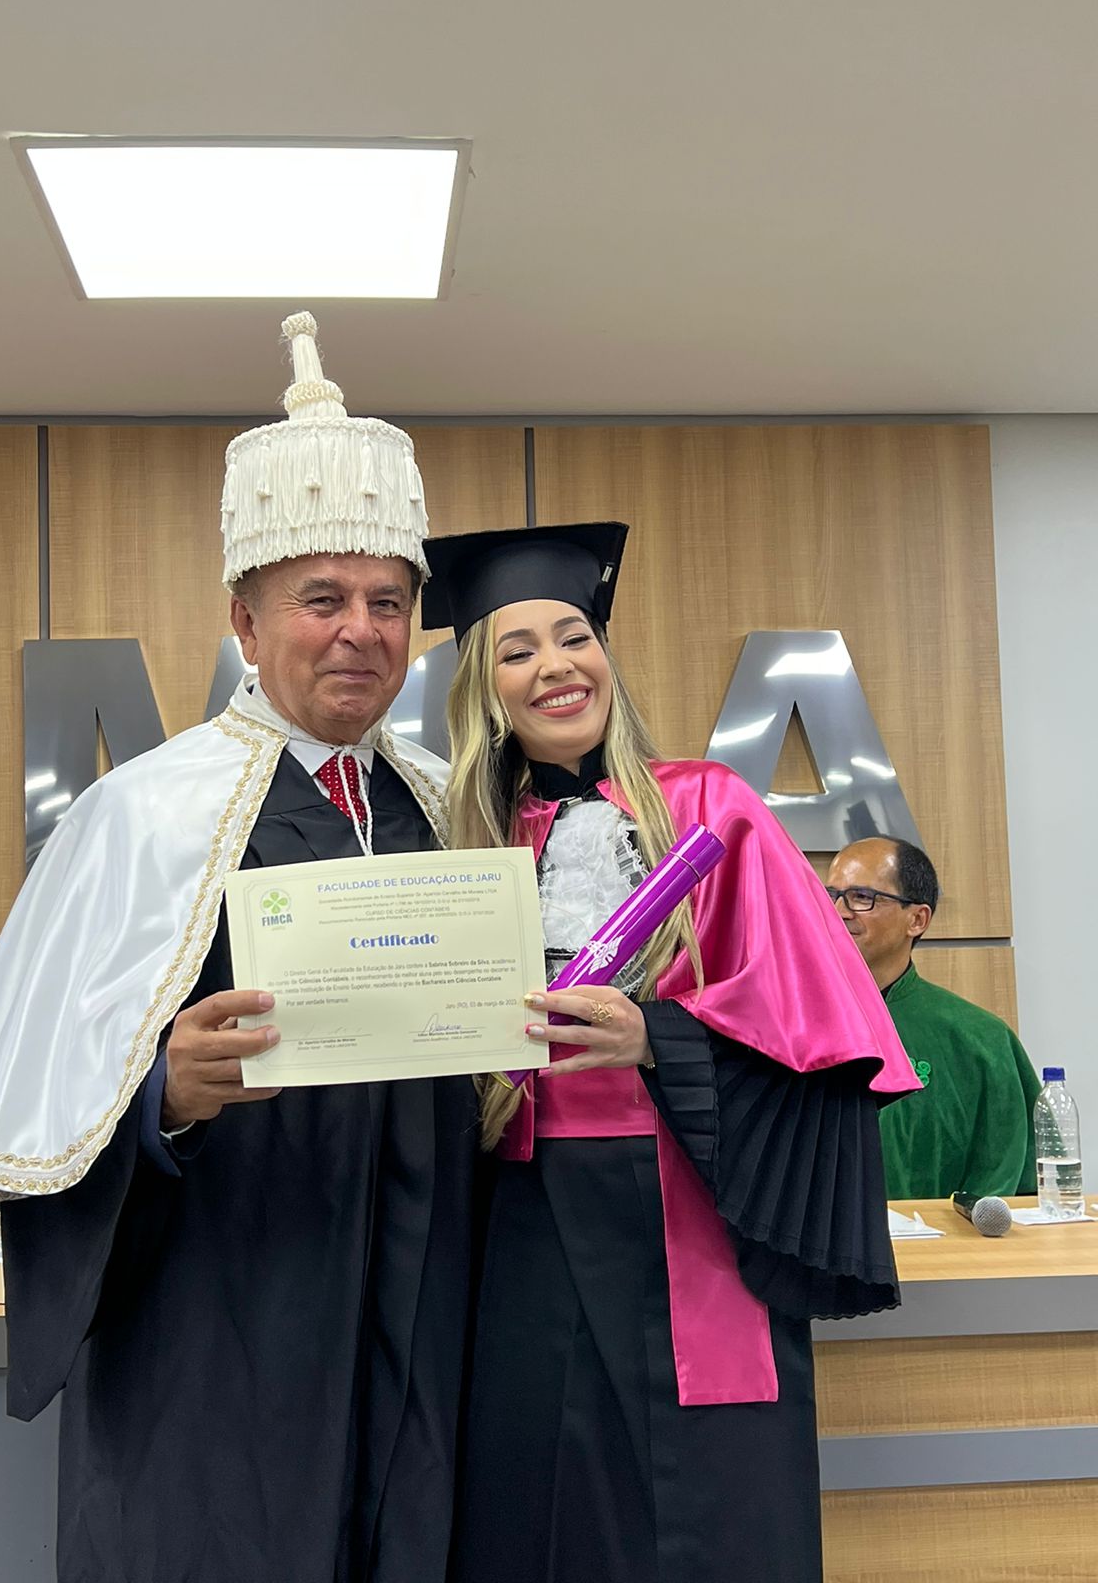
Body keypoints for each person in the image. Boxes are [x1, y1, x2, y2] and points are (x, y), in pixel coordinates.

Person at [0, 314, 476, 1583]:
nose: (360, 630)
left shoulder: (452, 808)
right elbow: (49, 1111)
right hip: (219, 1313)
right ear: (245, 618)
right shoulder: (142, 815)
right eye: (321, 599)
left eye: (388, 603)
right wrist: (161, 1094)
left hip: (424, 1308)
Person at [418, 522, 922, 1583]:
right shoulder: (461, 845)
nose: (556, 666)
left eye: (575, 638)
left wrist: (657, 1036)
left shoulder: (711, 810)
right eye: (518, 650)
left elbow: (816, 1032)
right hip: (519, 1221)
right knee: (532, 1496)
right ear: (483, 689)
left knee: (706, 1506)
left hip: (685, 1200)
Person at [826, 835, 1040, 1200]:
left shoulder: (981, 1041)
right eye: (830, 896)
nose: (838, 911)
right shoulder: (786, 1028)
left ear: (917, 919)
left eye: (861, 897)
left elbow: (1011, 1185)